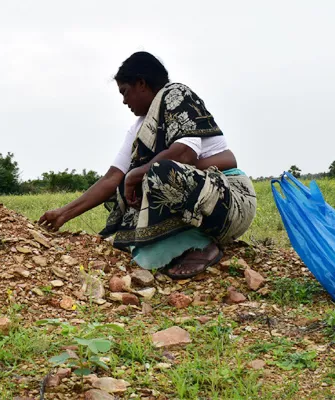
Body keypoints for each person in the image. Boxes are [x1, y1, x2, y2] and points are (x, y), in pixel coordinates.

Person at [39, 52, 256, 279]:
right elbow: (112, 178)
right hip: (200, 205)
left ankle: (200, 247)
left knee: (160, 172)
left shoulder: (176, 96)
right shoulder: (139, 128)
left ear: (141, 83)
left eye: (125, 91)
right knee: (127, 197)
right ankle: (189, 243)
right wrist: (63, 214)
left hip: (231, 203)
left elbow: (184, 154)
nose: (124, 101)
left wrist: (139, 174)